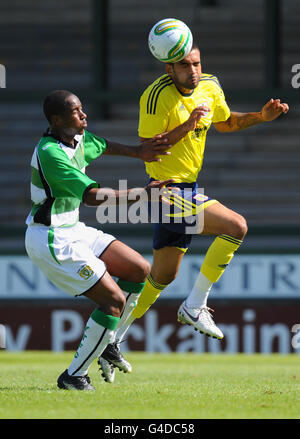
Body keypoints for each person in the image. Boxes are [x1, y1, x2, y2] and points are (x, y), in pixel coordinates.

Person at [98, 42, 289, 383]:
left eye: (196, 63)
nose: (193, 71)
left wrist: (261, 117)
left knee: (162, 277)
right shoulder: (155, 97)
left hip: (188, 189)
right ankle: (194, 305)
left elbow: (226, 123)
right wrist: (187, 126)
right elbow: (147, 150)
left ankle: (111, 339)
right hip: (166, 189)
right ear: (168, 69)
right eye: (185, 66)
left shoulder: (211, 86)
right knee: (236, 226)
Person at [25, 89, 175, 390]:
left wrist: (139, 152)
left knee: (138, 269)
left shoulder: (77, 138)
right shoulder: (50, 153)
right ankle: (74, 376)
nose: (83, 115)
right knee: (113, 301)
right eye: (75, 111)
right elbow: (92, 197)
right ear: (56, 119)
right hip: (52, 238)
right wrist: (141, 195)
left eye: (82, 108)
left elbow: (101, 145)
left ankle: (107, 342)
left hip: (74, 228)